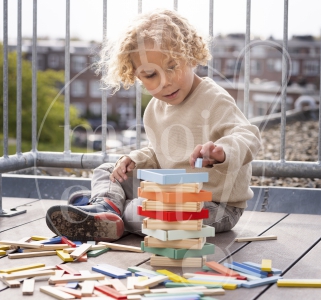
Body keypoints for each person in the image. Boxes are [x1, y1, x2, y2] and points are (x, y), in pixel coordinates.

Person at [46, 8, 261, 242]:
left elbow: (247, 135)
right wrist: (134, 160)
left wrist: (223, 152)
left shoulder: (214, 99)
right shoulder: (154, 110)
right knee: (108, 170)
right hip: (171, 194)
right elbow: (159, 152)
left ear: (190, 55)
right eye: (150, 75)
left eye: (172, 66)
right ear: (137, 76)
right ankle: (106, 207)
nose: (165, 82)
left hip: (216, 205)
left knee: (150, 212)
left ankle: (107, 210)